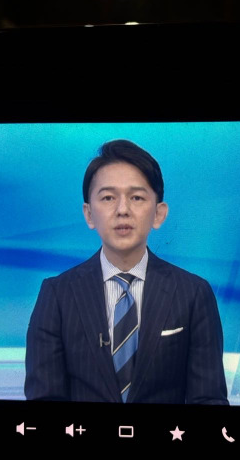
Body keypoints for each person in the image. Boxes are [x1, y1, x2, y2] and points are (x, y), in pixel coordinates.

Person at [25, 139, 228, 404]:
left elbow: (209, 399)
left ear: (159, 213)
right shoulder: (57, 295)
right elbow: (44, 397)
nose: (122, 210)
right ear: (89, 214)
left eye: (137, 198)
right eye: (108, 198)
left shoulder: (193, 294)